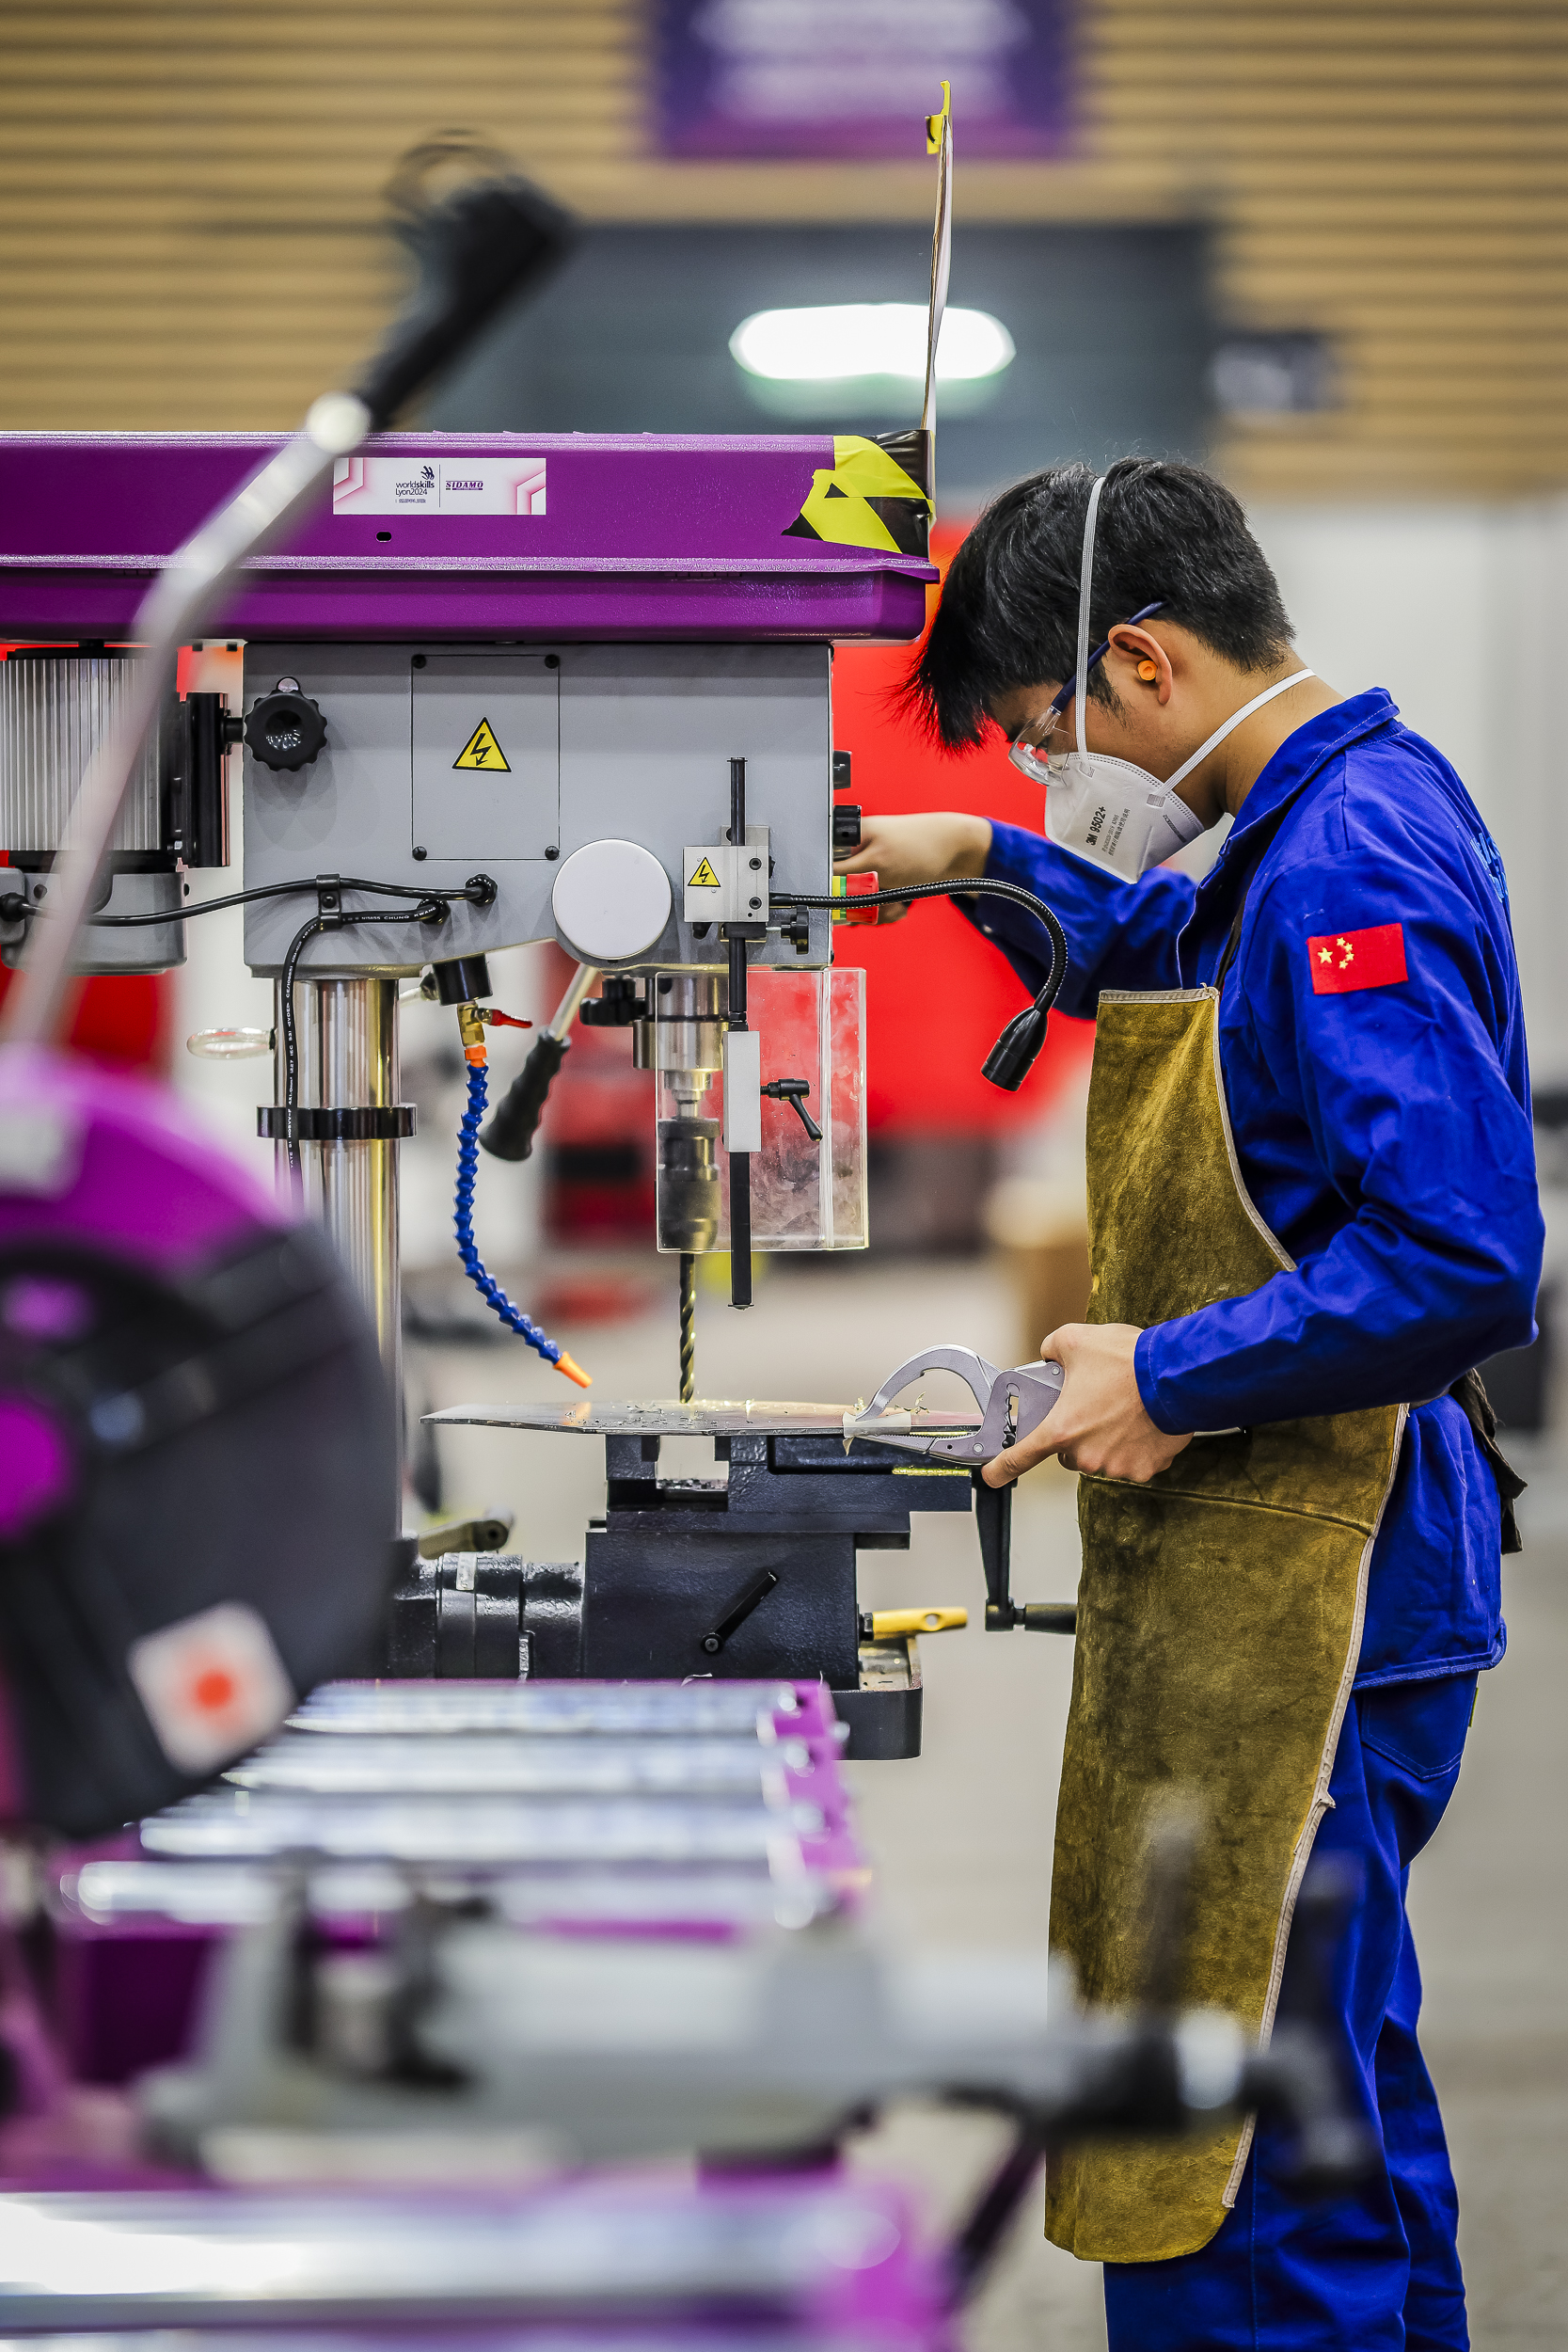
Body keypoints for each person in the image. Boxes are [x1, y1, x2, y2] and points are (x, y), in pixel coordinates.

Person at [838, 458, 1541, 2352]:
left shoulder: (1342, 859)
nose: (1053, 772)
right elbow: (1165, 962)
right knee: (1331, 2092)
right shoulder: (1295, 817)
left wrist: (1166, 1366)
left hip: (1334, 1579)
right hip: (1288, 1558)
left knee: (1239, 2107)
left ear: (1142, 658)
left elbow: (1466, 1252)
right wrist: (983, 864)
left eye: (1045, 736)